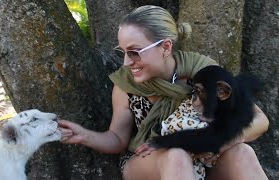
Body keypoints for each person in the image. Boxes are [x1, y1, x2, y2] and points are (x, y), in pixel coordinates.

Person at [58, 5, 269, 180]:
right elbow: (117, 139)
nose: (126, 62)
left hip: (203, 158)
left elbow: (259, 120)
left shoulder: (203, 72)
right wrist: (84, 135)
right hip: (146, 160)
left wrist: (215, 144)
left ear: (166, 47)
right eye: (122, 52)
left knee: (243, 152)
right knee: (176, 155)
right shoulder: (125, 84)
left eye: (134, 52)